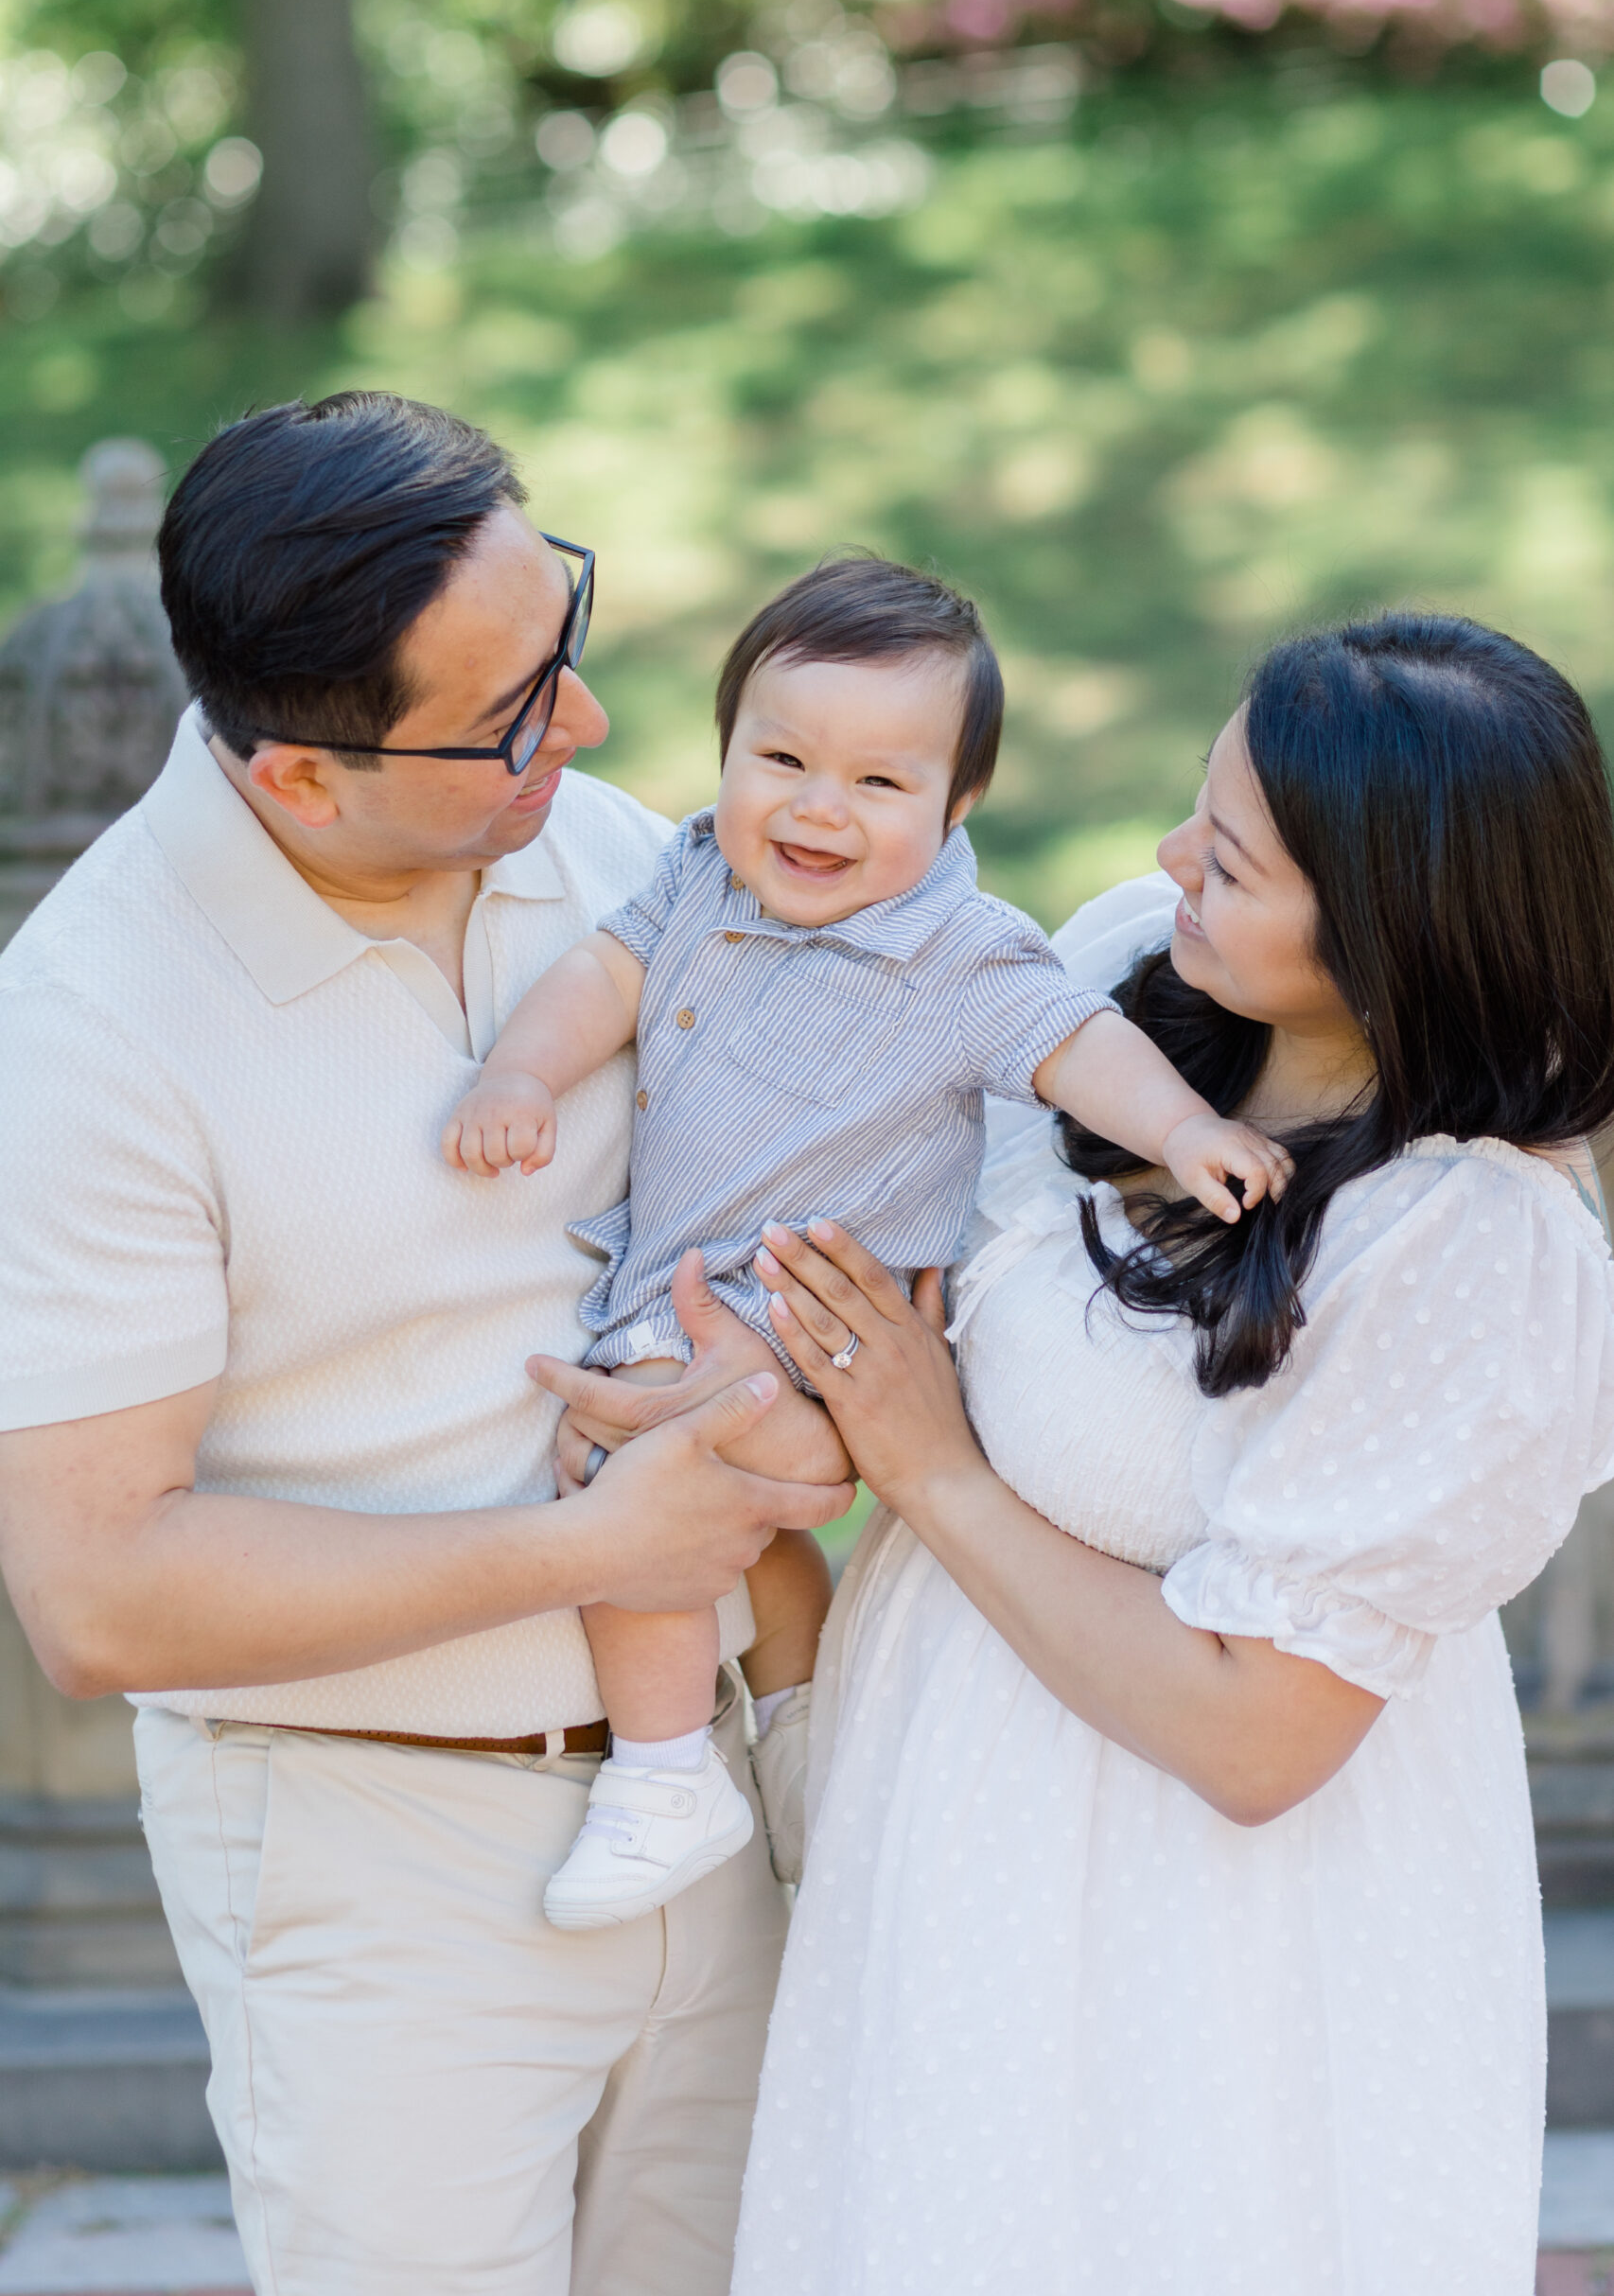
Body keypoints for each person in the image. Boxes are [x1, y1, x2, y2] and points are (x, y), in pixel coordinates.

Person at [0, 392, 851, 2296]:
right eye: (508, 717)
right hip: (367, 1850)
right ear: (297, 776)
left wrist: (800, 1403)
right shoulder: (87, 1035)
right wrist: (589, 1552)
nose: (591, 726)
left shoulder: (619, 850)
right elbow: (100, 1590)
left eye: (563, 634)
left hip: (705, 1793)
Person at [728, 612, 1614, 2296]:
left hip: (1205, 1945)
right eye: (1196, 812)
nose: (1166, 861)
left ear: (1388, 932)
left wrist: (930, 1472)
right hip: (947, 1849)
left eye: (1228, 856)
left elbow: (1257, 1735)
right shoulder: (1138, 973)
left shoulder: (1465, 1244)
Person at [445, 556, 1290, 1932]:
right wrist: (520, 1078)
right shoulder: (696, 875)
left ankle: (662, 1775)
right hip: (681, 1302)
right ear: (724, 753)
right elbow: (603, 976)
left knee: (635, 1481)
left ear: (956, 807)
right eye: (780, 758)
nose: (816, 809)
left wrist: (1187, 1130)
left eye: (879, 785)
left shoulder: (958, 951)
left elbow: (1078, 1047)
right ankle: (795, 1730)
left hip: (819, 1333)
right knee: (727, 1530)